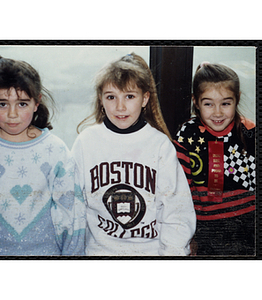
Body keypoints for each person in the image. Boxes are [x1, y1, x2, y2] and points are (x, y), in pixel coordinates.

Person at [71, 53, 196, 256]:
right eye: (111, 97)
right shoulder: (86, 143)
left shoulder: (160, 145)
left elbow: (177, 211)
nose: (120, 107)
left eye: (129, 96)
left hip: (150, 253)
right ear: (101, 99)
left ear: (145, 98)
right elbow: (72, 207)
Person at [0, 54, 86, 256]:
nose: (12, 114)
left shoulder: (56, 150)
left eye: (22, 104)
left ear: (36, 102)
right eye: (2, 104)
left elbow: (72, 212)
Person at [175, 62, 255, 256]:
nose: (218, 112)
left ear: (237, 99)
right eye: (208, 104)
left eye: (225, 103)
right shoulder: (187, 135)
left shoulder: (250, 132)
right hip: (206, 230)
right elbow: (180, 187)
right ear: (196, 101)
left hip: (248, 226)